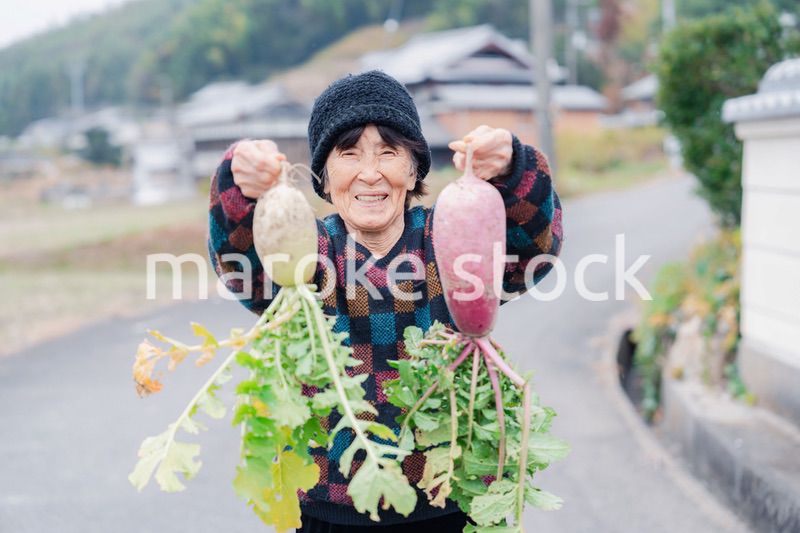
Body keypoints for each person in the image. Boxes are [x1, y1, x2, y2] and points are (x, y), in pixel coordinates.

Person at [207, 70, 564, 532]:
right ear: (323, 173)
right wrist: (238, 186)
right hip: (328, 504)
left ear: (414, 168)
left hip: (447, 496)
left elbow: (534, 247)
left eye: (389, 152)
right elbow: (241, 264)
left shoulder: (447, 234)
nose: (370, 172)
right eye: (349, 153)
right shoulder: (309, 250)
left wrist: (514, 168)